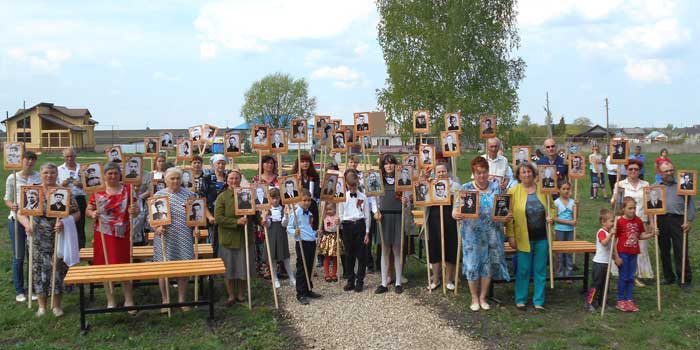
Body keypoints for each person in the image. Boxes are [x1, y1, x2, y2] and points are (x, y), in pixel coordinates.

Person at [16, 163, 80, 317]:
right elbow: (20, 213)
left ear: (57, 174)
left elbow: (77, 213)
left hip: (57, 237)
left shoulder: (64, 192)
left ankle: (56, 306)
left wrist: (64, 223)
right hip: (36, 237)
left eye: (52, 173)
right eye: (46, 172)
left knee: (57, 271)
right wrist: (26, 225)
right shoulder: (33, 191)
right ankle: (42, 306)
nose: (49, 175)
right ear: (41, 173)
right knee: (38, 271)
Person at [453, 156, 510, 311]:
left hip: (492, 234)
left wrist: (505, 216)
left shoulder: (496, 188)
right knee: (472, 266)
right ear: (473, 173)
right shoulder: (465, 188)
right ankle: (474, 297)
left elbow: (503, 209)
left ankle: (483, 297)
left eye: (484, 172)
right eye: (478, 173)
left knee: (488, 266)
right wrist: (456, 214)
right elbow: (455, 209)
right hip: (472, 235)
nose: (482, 176)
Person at [85, 162, 139, 309]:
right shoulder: (97, 190)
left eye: (115, 173)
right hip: (103, 233)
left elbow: (137, 209)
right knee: (105, 266)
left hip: (122, 233)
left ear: (119, 174)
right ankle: (111, 300)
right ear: (104, 175)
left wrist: (134, 211)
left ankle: (128, 299)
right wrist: (92, 213)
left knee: (124, 265)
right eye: (109, 173)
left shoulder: (128, 189)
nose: (113, 176)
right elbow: (88, 210)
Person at [150, 167, 197, 311]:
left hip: (183, 236)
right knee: (163, 269)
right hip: (165, 237)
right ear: (166, 180)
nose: (175, 181)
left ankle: (182, 300)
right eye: (172, 178)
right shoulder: (158, 195)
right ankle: (165, 300)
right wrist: (156, 228)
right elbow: (151, 218)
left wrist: (196, 228)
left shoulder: (189, 195)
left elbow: (196, 216)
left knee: (183, 269)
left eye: (178, 178)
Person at [506, 162, 551, 311]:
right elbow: (509, 216)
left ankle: (538, 300)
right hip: (522, 237)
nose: (526, 174)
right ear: (518, 176)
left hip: (542, 237)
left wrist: (552, 217)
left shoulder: (544, 190)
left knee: (540, 270)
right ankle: (521, 299)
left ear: (533, 173)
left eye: (529, 172)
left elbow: (552, 208)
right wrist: (510, 236)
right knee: (523, 270)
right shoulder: (513, 191)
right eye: (523, 172)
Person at [215, 170, 256, 304]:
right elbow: (218, 218)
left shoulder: (247, 195)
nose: (234, 181)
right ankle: (231, 295)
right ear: (227, 180)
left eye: (237, 178)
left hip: (245, 238)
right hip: (228, 238)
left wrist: (262, 220)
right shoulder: (222, 197)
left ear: (240, 179)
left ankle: (241, 294)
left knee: (243, 267)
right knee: (229, 268)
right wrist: (235, 222)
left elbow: (255, 214)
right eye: (231, 178)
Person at [609, 159, 653, 286]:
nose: (633, 171)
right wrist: (615, 198)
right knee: (625, 247)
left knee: (641, 248)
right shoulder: (620, 184)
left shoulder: (646, 184)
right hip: (624, 222)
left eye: (636, 169)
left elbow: (649, 206)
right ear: (626, 170)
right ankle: (625, 274)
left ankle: (636, 274)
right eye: (630, 169)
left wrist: (652, 222)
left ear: (639, 171)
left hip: (641, 220)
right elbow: (614, 204)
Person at [4, 150, 41, 302]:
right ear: (22, 160)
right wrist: (11, 205)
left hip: (34, 220)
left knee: (32, 255)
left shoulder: (38, 177)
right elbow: (7, 198)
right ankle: (20, 290)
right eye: (27, 159)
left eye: (33, 160)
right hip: (16, 219)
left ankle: (32, 288)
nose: (30, 162)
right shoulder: (12, 177)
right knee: (19, 256)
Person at [422, 163, 460, 291]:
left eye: (443, 171)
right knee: (435, 249)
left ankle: (449, 279)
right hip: (434, 220)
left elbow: (459, 202)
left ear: (447, 172)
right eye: (438, 172)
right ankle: (436, 278)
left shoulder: (454, 186)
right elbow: (421, 195)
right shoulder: (430, 185)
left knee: (450, 249)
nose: (441, 174)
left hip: (450, 221)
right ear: (435, 173)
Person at [656, 162, 695, 288]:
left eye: (671, 170)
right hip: (661, 220)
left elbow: (690, 204)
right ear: (660, 173)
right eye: (666, 171)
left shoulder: (683, 185)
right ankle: (668, 276)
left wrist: (688, 220)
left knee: (681, 249)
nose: (669, 173)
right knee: (664, 250)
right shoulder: (655, 187)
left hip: (678, 220)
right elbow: (650, 207)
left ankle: (684, 278)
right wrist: (652, 224)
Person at [614, 197, 655, 312]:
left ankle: (629, 299)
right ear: (623, 209)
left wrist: (651, 234)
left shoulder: (638, 221)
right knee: (623, 277)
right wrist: (616, 256)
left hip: (633, 253)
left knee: (631, 277)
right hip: (623, 253)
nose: (633, 211)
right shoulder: (620, 222)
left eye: (634, 208)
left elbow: (641, 236)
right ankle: (621, 300)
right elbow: (614, 239)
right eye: (630, 208)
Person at [374, 154, 405, 294]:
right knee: (385, 251)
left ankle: (398, 282)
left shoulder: (402, 180)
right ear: (383, 165)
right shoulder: (378, 179)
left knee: (397, 251)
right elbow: (372, 198)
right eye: (386, 163)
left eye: (391, 163)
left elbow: (407, 197)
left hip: (398, 216)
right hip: (384, 217)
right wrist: (376, 211)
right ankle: (384, 283)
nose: (389, 166)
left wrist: (406, 202)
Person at [287, 189, 322, 304]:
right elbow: (289, 228)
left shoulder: (310, 214)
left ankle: (308, 289)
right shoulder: (295, 213)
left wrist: (316, 233)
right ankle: (300, 293)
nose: (307, 203)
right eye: (304, 200)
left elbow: (309, 228)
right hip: (302, 243)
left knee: (310, 267)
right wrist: (294, 232)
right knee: (302, 268)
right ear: (299, 201)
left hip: (311, 241)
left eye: (309, 200)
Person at [339, 171, 372, 293]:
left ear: (358, 184)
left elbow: (367, 215)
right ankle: (350, 280)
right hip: (347, 226)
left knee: (362, 256)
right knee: (349, 255)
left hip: (360, 225)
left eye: (355, 186)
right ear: (347, 185)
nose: (353, 188)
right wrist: (339, 221)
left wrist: (367, 232)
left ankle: (360, 281)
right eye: (351, 186)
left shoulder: (363, 197)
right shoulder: (343, 197)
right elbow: (341, 213)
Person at [263, 188, 295, 288]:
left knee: (285, 257)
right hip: (271, 235)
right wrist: (265, 218)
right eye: (273, 198)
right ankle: (275, 278)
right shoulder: (267, 210)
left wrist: (285, 215)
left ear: (279, 198)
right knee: (272, 259)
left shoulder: (283, 209)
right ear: (269, 199)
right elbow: (267, 225)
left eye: (277, 198)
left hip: (281, 235)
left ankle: (291, 277)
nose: (275, 201)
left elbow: (284, 224)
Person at [584, 209, 615, 312]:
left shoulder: (609, 233)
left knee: (605, 284)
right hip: (599, 263)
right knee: (596, 284)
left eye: (613, 221)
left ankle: (602, 303)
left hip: (607, 263)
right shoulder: (601, 232)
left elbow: (611, 248)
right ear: (603, 222)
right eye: (611, 221)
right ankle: (589, 302)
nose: (613, 223)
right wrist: (610, 235)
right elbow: (604, 243)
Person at [58, 148, 87, 248]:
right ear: (63, 157)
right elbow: (54, 187)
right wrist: (62, 185)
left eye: (71, 156)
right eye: (67, 156)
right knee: (65, 224)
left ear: (75, 156)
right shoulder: (59, 169)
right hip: (64, 199)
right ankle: (67, 247)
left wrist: (81, 185)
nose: (69, 159)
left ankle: (80, 248)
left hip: (79, 199)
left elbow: (91, 184)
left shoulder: (83, 168)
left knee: (80, 224)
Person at [553, 181, 576, 278]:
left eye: (568, 189)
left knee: (569, 251)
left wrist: (577, 207)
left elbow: (575, 217)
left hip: (570, 230)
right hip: (560, 230)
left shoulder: (573, 202)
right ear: (559, 190)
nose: (566, 191)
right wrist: (568, 222)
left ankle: (568, 273)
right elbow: (555, 218)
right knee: (559, 252)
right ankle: (559, 273)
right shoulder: (556, 202)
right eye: (564, 189)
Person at [319, 203, 342, 283]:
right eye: (327, 209)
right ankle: (327, 274)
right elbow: (322, 206)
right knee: (326, 257)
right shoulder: (325, 216)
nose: (328, 211)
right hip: (327, 237)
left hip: (335, 237)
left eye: (330, 209)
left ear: (335, 209)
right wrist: (325, 200)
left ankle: (334, 274)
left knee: (336, 257)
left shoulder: (337, 216)